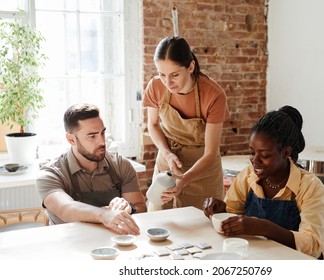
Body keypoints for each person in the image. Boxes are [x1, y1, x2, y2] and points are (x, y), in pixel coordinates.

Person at [203, 105, 324, 258]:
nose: (255, 160)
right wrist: (221, 212)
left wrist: (265, 228)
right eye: (251, 152)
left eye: (265, 155)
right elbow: (233, 214)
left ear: (286, 153)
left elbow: (313, 245)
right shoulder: (248, 175)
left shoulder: (310, 186)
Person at [142, 36, 230, 211]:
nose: (168, 83)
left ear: (190, 66)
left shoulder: (213, 95)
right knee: (159, 223)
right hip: (168, 163)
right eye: (162, 74)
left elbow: (211, 153)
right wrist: (167, 154)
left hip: (202, 169)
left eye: (174, 75)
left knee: (198, 231)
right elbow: (152, 125)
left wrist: (184, 179)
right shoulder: (156, 86)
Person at [36, 104, 146, 235]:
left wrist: (130, 208)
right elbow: (66, 209)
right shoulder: (50, 174)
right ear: (71, 139)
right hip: (68, 245)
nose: (102, 142)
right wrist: (105, 215)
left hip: (113, 243)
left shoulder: (121, 165)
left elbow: (141, 208)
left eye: (103, 133)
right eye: (92, 136)